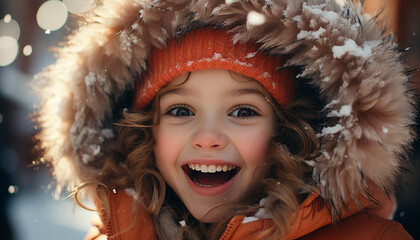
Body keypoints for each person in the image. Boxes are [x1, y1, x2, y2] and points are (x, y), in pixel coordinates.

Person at [34, 0, 415, 239]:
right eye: (181, 111)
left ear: (288, 130)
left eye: (243, 111)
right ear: (146, 129)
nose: (208, 137)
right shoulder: (116, 233)